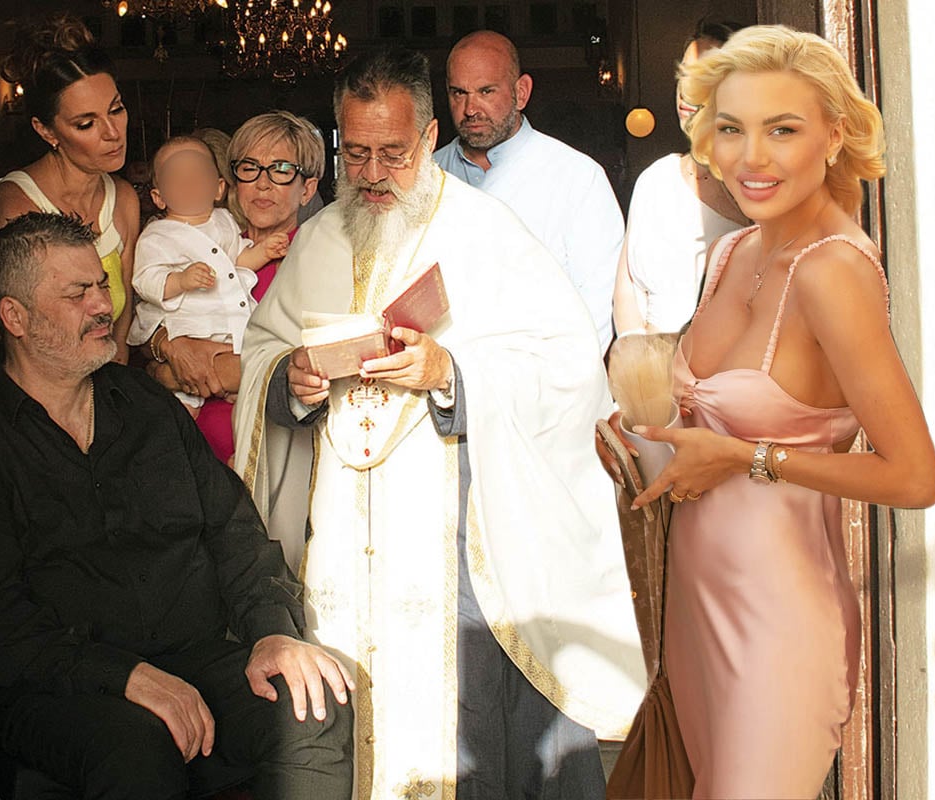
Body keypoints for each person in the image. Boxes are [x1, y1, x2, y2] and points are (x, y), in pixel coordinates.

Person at [235, 49, 645, 799]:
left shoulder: (486, 233)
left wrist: (449, 374)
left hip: (454, 532)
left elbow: (566, 368)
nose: (372, 173)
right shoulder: (321, 238)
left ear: (428, 139)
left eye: (393, 153)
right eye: (356, 153)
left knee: (465, 723)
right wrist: (289, 380)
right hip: (340, 542)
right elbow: (262, 349)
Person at [606, 25, 935, 798]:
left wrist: (745, 458)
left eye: (782, 130)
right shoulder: (735, 252)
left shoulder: (833, 272)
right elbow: (703, 415)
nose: (751, 157)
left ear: (834, 136)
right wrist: (641, 436)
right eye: (732, 128)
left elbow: (915, 476)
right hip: (695, 609)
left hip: (779, 627)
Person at [0, 211, 354, 799]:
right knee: (136, 748)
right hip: (54, 686)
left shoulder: (148, 406)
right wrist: (124, 676)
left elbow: (234, 533)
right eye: (77, 294)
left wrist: (271, 634)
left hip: (192, 658)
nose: (102, 306)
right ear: (15, 317)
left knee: (313, 706)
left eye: (101, 285)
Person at [0, 14, 139, 433]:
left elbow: (117, 342)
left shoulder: (124, 201)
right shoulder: (12, 208)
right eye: (86, 123)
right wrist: (41, 443)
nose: (113, 132)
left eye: (116, 109)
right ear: (46, 131)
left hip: (81, 420)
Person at [149, 111, 323, 467]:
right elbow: (149, 346)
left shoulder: (313, 261)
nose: (262, 184)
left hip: (267, 456)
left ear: (307, 189)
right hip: (189, 453)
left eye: (281, 170)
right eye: (250, 168)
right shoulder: (204, 249)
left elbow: (307, 370)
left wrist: (186, 369)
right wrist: (168, 347)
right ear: (232, 182)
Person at [434, 30, 623, 352]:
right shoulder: (427, 175)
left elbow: (597, 305)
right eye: (458, 93)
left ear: (521, 92)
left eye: (486, 91)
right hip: (443, 374)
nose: (469, 108)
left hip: (547, 373)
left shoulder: (577, 177)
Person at [128, 135, 288, 425]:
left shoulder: (224, 222)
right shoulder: (157, 235)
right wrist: (180, 280)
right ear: (159, 197)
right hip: (191, 328)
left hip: (233, 328)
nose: (189, 182)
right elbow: (145, 280)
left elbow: (238, 261)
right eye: (177, 177)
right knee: (182, 413)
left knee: (245, 401)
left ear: (218, 188)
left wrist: (264, 251)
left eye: (198, 174)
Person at [612, 20, 750, 336]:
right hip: (647, 362)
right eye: (685, 74)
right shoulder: (655, 179)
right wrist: (638, 356)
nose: (688, 90)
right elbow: (626, 289)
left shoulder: (761, 184)